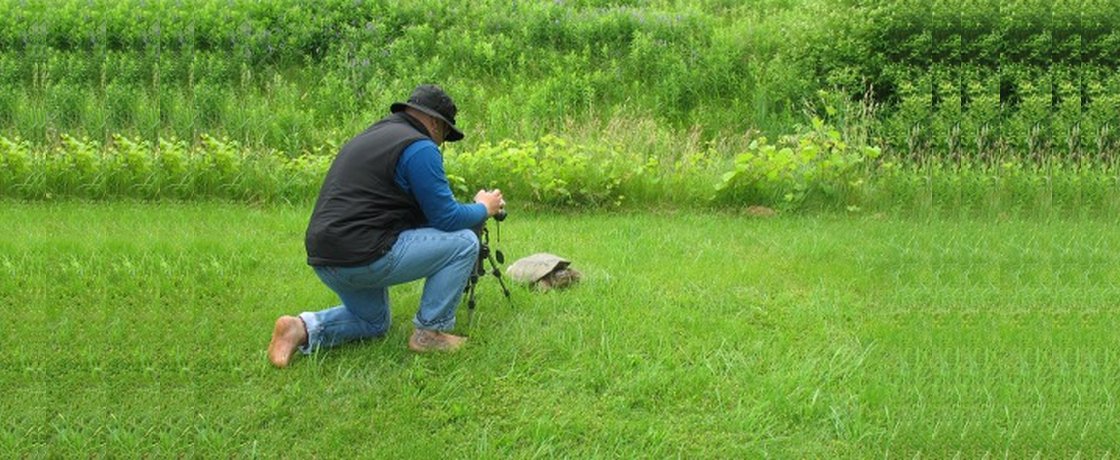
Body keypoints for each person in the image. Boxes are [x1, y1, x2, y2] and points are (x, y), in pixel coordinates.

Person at [268, 84, 504, 368]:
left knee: (372, 322)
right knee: (464, 243)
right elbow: (446, 219)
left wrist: (471, 209)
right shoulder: (420, 147)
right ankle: (429, 333)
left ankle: (301, 328)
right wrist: (483, 207)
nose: (441, 143)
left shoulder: (375, 136)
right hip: (366, 252)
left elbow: (418, 214)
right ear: (434, 122)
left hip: (326, 256)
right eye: (444, 134)